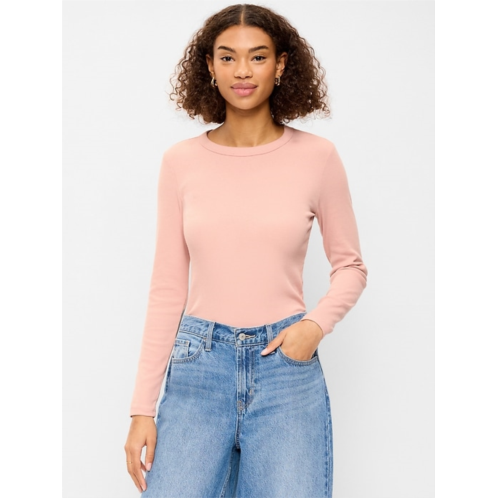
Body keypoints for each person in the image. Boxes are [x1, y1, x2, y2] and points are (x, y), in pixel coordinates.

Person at [124, 4, 367, 497]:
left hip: (285, 370)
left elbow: (350, 266)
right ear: (209, 67)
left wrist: (313, 327)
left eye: (257, 57)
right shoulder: (181, 162)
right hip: (198, 367)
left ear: (280, 65)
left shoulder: (317, 157)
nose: (242, 71)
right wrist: (141, 409)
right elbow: (167, 288)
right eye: (227, 57)